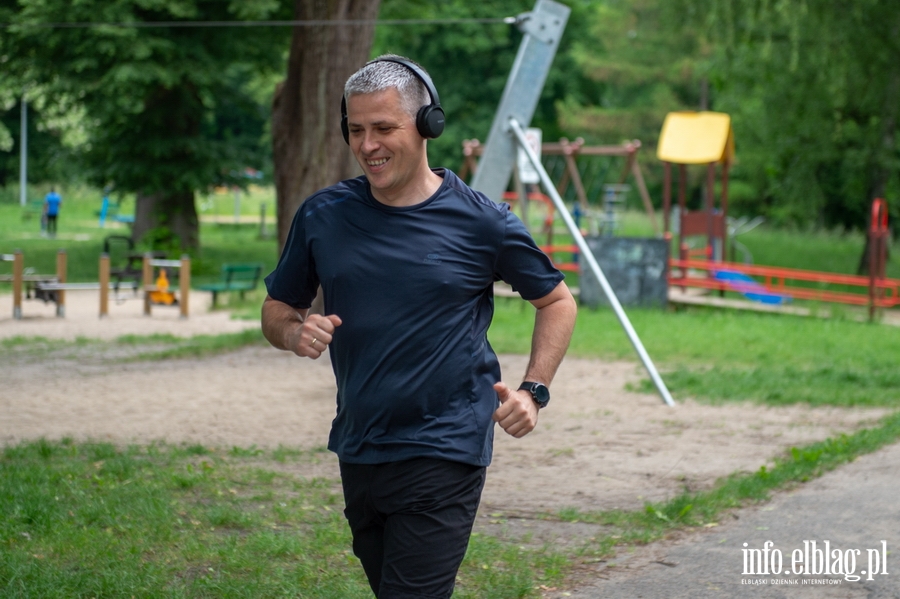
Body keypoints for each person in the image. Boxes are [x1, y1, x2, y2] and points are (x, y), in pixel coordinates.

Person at [261, 54, 577, 599]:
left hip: (445, 446)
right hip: (360, 445)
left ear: (428, 124)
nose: (367, 145)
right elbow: (276, 308)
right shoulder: (323, 216)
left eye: (384, 128)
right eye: (356, 130)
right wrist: (294, 332)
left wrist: (534, 390)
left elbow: (557, 301)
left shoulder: (483, 221)